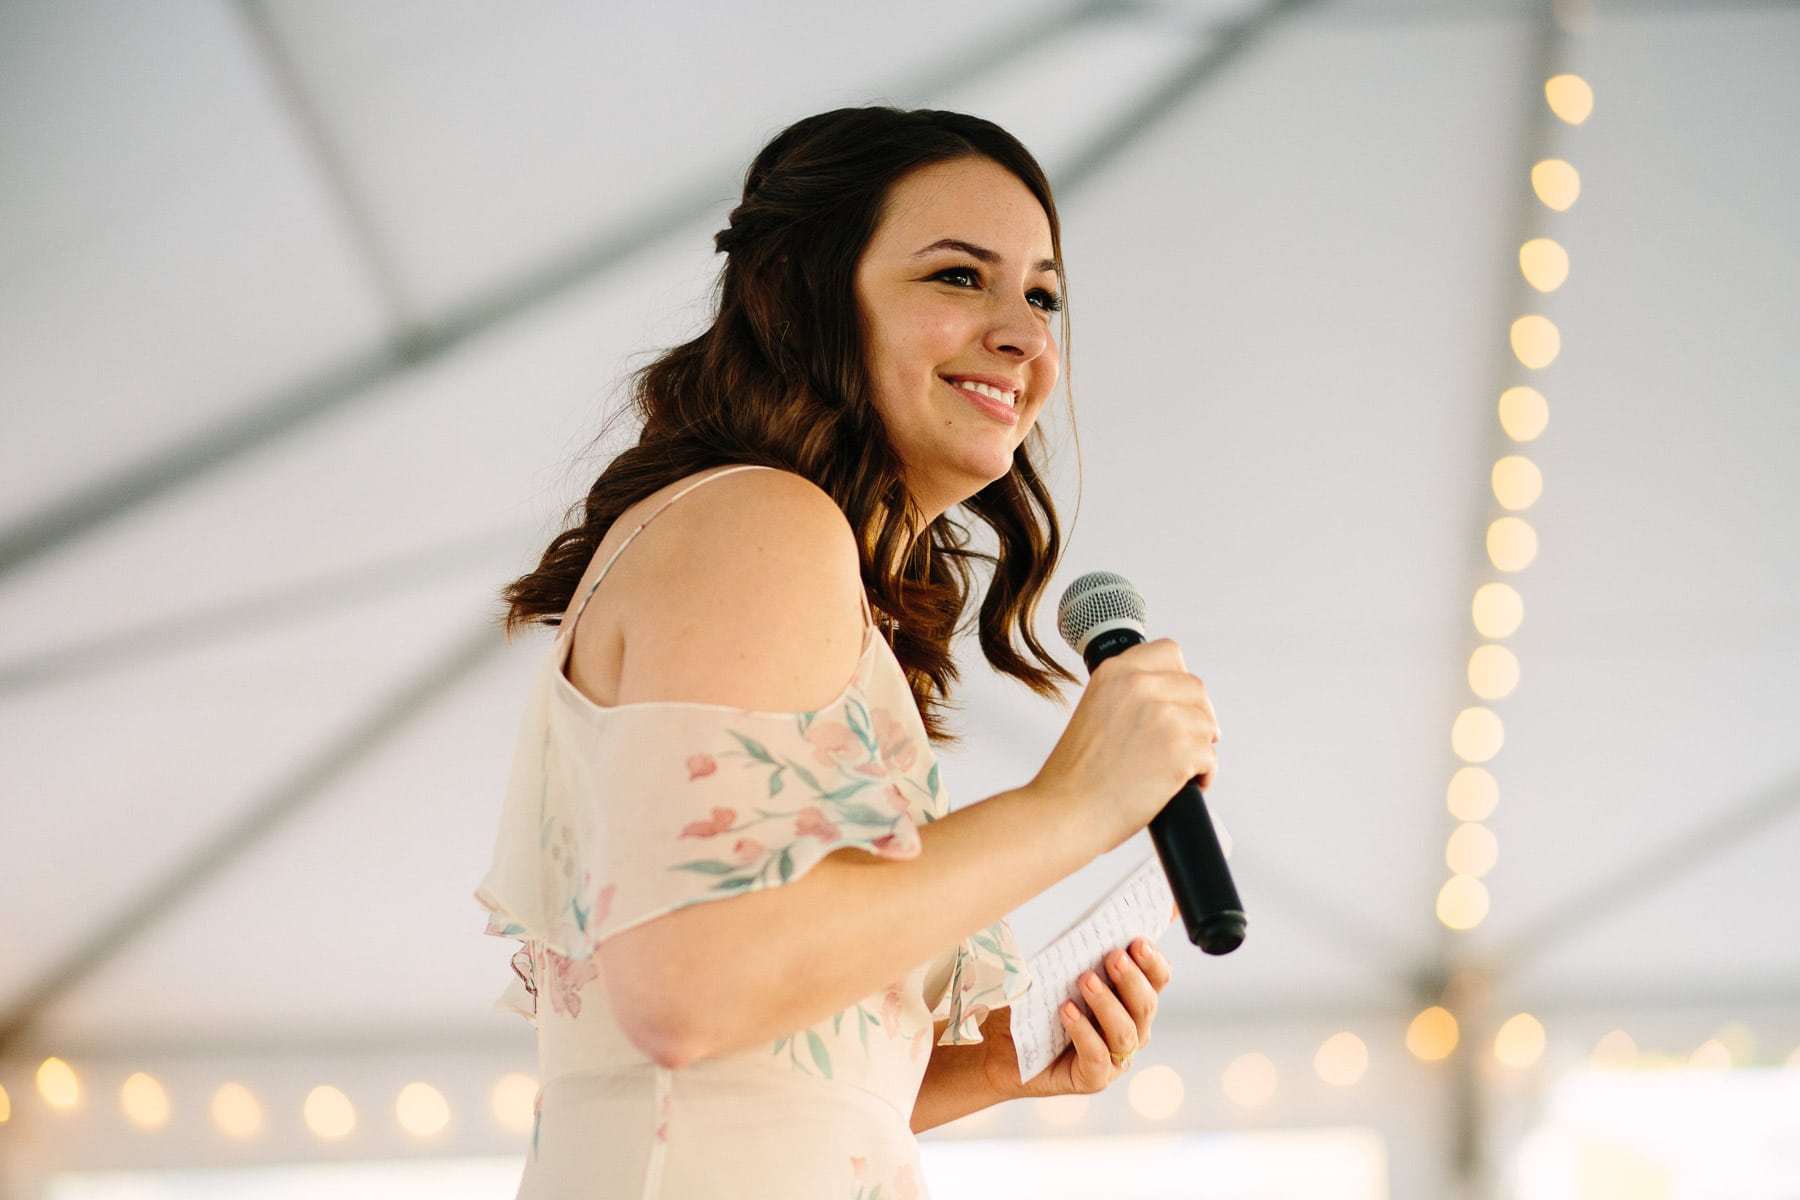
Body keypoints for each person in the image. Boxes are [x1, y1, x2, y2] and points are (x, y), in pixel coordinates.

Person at [476, 106, 1220, 1199]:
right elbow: (689, 986)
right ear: (800, 296)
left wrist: (996, 1066)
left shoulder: (781, 558)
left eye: (1044, 295)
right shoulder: (760, 524)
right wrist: (1074, 805)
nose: (1024, 335)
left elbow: (745, 1078)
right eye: (959, 278)